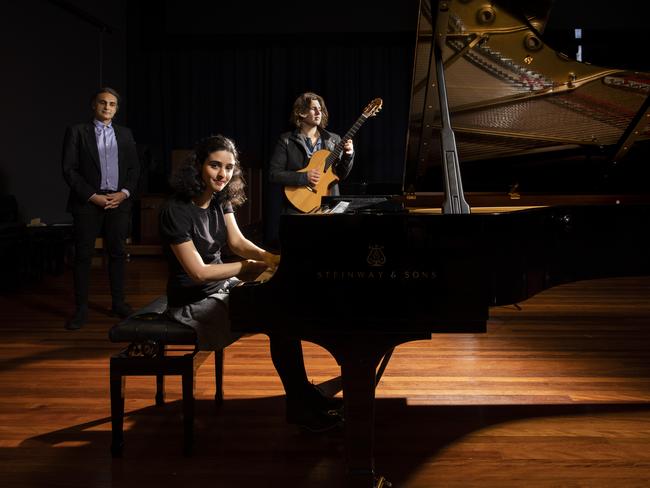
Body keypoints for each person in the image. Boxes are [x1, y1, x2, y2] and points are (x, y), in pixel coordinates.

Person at [159, 134, 342, 432]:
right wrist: (248, 267)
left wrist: (271, 258)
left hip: (221, 290)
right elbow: (199, 273)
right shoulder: (174, 211)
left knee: (281, 310)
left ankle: (303, 399)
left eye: (229, 168)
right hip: (192, 304)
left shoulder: (220, 198)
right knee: (278, 317)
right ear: (198, 166)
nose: (222, 174)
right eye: (215, 166)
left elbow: (238, 242)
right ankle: (301, 404)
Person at [62, 87, 140, 330]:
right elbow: (69, 170)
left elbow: (134, 169)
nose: (107, 107)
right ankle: (81, 309)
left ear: (116, 109)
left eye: (112, 104)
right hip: (88, 203)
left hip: (118, 203)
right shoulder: (77, 132)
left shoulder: (125, 134)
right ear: (93, 106)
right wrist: (92, 196)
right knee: (83, 256)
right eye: (103, 103)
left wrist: (124, 193)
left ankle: (118, 304)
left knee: (117, 254)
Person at [269, 91, 355, 216]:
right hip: (297, 206)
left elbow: (341, 174)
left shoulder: (334, 140)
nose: (319, 112)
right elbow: (273, 174)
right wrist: (304, 177)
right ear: (301, 112)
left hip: (327, 205)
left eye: (320, 109)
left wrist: (349, 154)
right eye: (313, 109)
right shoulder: (287, 140)